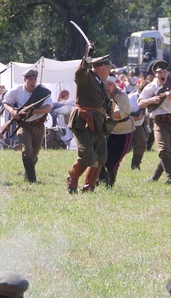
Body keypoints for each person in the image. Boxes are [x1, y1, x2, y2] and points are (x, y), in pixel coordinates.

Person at [65, 47, 112, 193]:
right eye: (108, 67)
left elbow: (106, 102)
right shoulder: (86, 77)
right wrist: (87, 57)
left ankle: (89, 186)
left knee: (101, 156)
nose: (110, 70)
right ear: (102, 68)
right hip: (83, 121)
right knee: (87, 155)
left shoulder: (102, 82)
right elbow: (78, 74)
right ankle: (72, 179)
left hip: (98, 122)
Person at [138, 60, 171, 185]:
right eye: (159, 72)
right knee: (164, 150)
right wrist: (151, 100)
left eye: (164, 72)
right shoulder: (151, 87)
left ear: (168, 72)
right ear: (155, 74)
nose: (162, 74)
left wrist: (169, 95)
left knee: (169, 152)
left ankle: (154, 177)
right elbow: (140, 103)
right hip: (160, 121)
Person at [2, 68, 52, 183]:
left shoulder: (42, 91)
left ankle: (28, 173)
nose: (33, 81)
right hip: (24, 126)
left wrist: (31, 111)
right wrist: (13, 112)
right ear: (25, 79)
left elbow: (48, 108)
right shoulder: (16, 90)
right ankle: (32, 179)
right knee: (27, 150)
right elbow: (6, 102)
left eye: (34, 79)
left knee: (34, 154)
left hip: (39, 125)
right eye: (30, 79)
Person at [98, 74, 134, 187]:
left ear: (114, 85)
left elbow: (119, 113)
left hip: (123, 131)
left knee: (114, 161)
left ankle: (110, 184)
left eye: (110, 84)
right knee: (101, 157)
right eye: (106, 84)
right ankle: (102, 180)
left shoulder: (121, 96)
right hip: (108, 131)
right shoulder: (100, 94)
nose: (108, 86)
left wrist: (101, 114)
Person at [128, 80, 148, 170]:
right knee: (126, 148)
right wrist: (135, 118)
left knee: (141, 144)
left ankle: (135, 165)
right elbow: (123, 113)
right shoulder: (131, 98)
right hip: (127, 126)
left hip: (139, 126)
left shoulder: (148, 99)